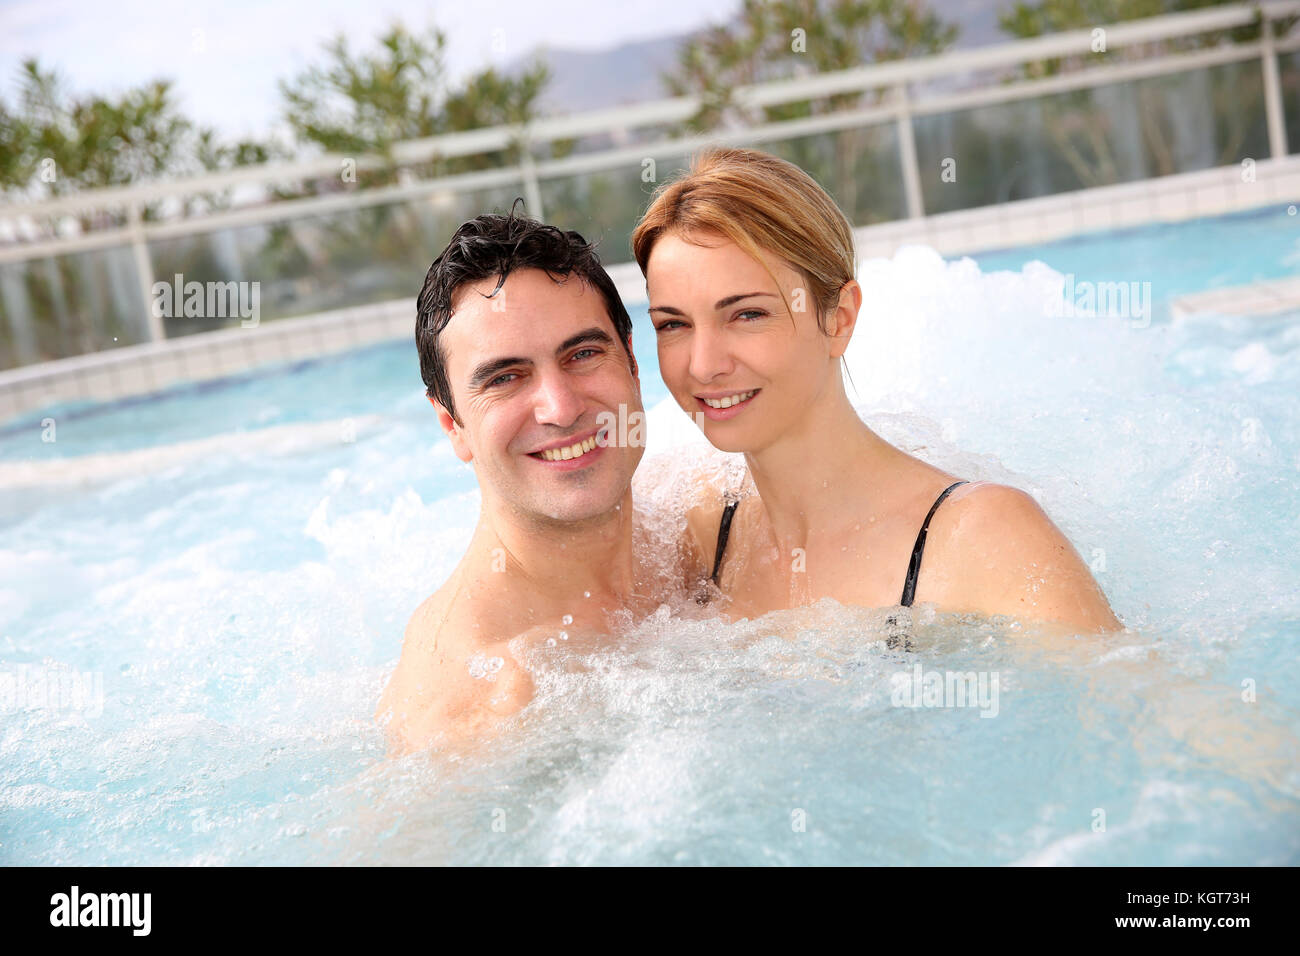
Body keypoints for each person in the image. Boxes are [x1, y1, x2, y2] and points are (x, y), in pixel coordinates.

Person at [631, 147, 1121, 636]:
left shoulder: (982, 536)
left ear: (839, 318)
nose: (703, 365)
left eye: (748, 314)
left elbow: (1140, 704)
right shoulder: (697, 530)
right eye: (673, 324)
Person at [377, 206, 668, 756]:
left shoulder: (691, 525)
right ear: (451, 424)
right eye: (506, 378)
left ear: (632, 363)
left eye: (582, 354)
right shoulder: (487, 701)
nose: (560, 409)